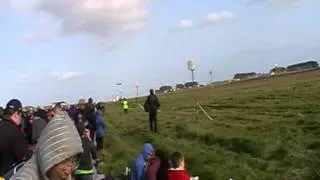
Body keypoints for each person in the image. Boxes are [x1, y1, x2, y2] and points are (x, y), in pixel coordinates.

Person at [10, 109, 83, 180]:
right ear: (49, 157)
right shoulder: (26, 177)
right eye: (63, 161)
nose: (68, 171)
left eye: (73, 161)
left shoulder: (55, 174)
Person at [0, 99, 31, 177]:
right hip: (7, 174)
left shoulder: (2, 125)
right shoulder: (14, 131)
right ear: (16, 114)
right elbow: (24, 157)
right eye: (21, 115)